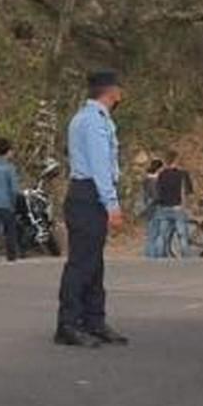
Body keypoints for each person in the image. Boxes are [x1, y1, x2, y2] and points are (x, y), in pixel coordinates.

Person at [56, 71, 128, 348]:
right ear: (111, 91)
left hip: (86, 193)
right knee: (82, 263)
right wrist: (111, 203)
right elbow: (100, 164)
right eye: (119, 89)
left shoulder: (88, 118)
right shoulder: (94, 121)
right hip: (89, 194)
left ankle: (94, 319)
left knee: (94, 263)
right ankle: (69, 323)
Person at [150, 152, 194, 258]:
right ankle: (185, 254)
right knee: (182, 234)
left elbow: (157, 191)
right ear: (176, 161)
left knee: (162, 234)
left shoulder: (161, 174)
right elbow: (188, 191)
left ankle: (160, 254)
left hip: (163, 206)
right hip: (178, 207)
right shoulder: (182, 174)